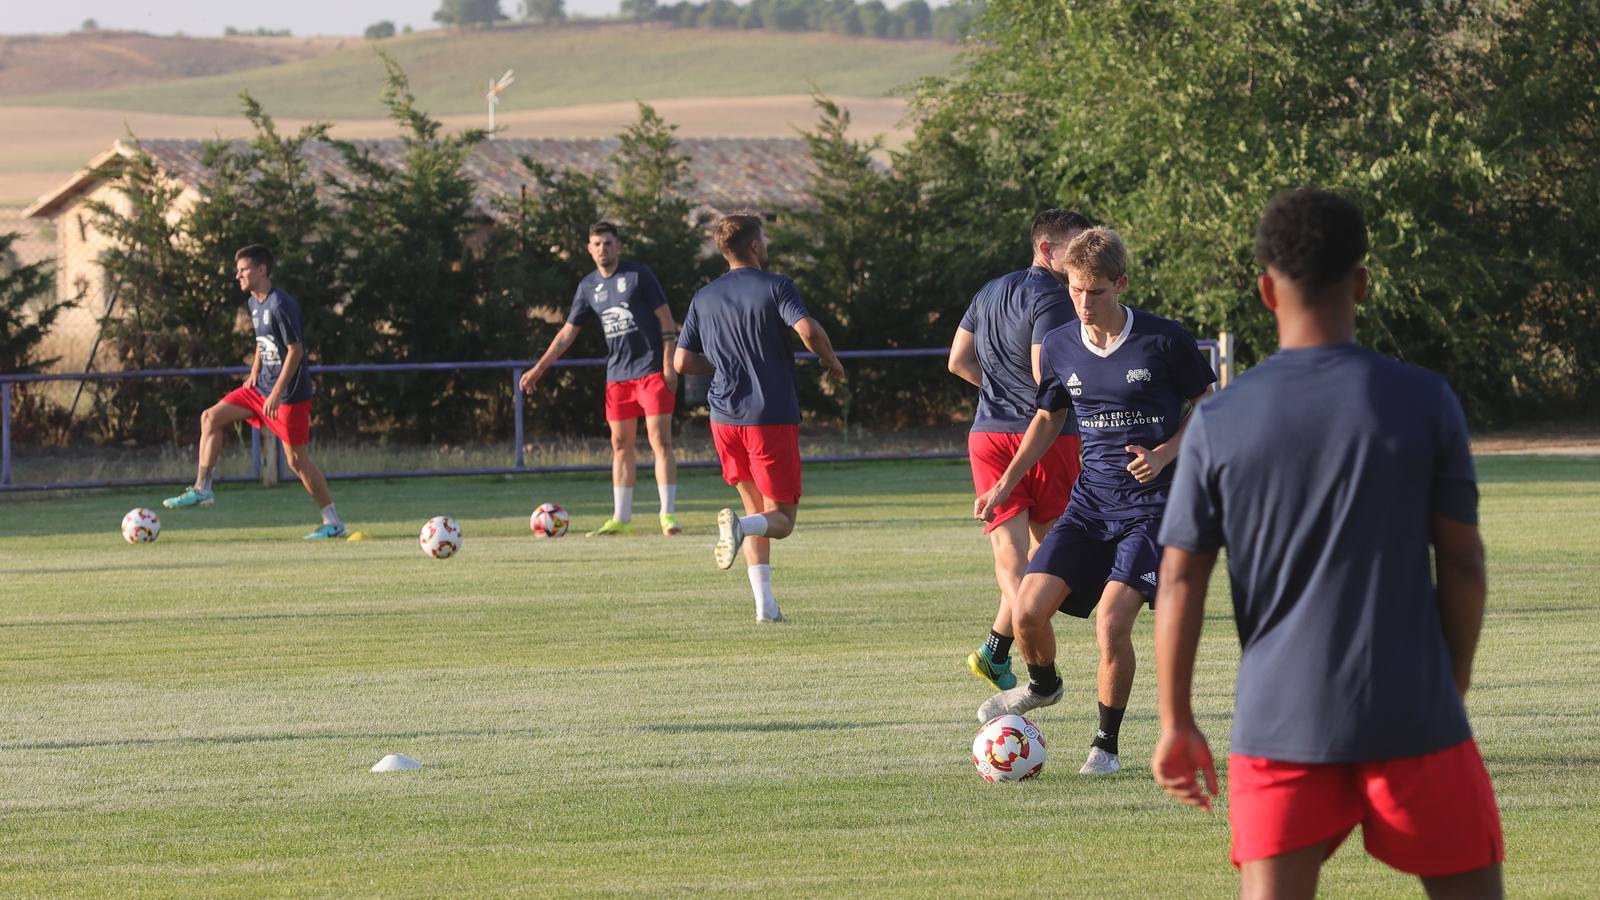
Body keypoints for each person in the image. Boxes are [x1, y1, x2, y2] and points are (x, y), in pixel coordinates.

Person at [1152, 189, 1503, 898]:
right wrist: (1449, 687)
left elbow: (1181, 580)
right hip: (1414, 709)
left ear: (1264, 290)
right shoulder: (1425, 399)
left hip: (1280, 718)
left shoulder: (1219, 421)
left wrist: (1176, 720)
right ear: (1363, 283)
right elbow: (1463, 564)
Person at [974, 227, 1216, 775]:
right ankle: (1043, 685)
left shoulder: (1163, 340)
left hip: (1154, 508)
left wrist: (1166, 452)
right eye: (1077, 290)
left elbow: (1208, 400)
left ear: (1121, 284)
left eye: (1097, 292)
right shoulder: (1060, 344)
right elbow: (1047, 417)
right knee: (1029, 610)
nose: (1084, 303)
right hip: (1089, 504)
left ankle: (1104, 746)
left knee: (1111, 621)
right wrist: (1004, 486)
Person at [673, 213, 845, 623]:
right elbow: (808, 330)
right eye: (763, 237)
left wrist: (721, 365)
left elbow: (681, 361)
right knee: (781, 520)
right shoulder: (777, 286)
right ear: (754, 245)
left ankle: (765, 607)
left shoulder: (704, 296)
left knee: (753, 513)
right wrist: (831, 362)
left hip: (723, 417)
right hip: (768, 415)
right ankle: (739, 535)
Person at [950, 209, 1090, 692]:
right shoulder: (1055, 297)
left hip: (987, 433)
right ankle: (1032, 639)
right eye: (1075, 248)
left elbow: (957, 361)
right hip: (1045, 436)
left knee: (1013, 551)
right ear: (1048, 250)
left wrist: (997, 393)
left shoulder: (989, 290)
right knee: (1050, 551)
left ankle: (996, 650)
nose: (1082, 259)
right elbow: (1044, 377)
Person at [162, 244, 345, 540]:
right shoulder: (253, 303)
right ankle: (202, 489)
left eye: (244, 270)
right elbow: (263, 341)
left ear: (262, 270)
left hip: (287, 397)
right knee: (210, 417)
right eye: (237, 270)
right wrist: (255, 370)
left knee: (297, 462)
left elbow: (295, 351)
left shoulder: (281, 305)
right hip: (259, 390)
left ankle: (334, 523)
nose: (238, 276)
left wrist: (276, 393)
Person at [520, 222, 683, 537]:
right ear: (589, 248)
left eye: (608, 243)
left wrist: (668, 363)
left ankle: (668, 516)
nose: (602, 249)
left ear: (618, 246)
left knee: (659, 440)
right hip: (618, 376)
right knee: (620, 444)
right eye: (596, 243)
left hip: (650, 370)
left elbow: (666, 320)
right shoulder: (587, 287)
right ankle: (621, 518)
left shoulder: (639, 276)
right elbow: (567, 333)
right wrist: (538, 369)